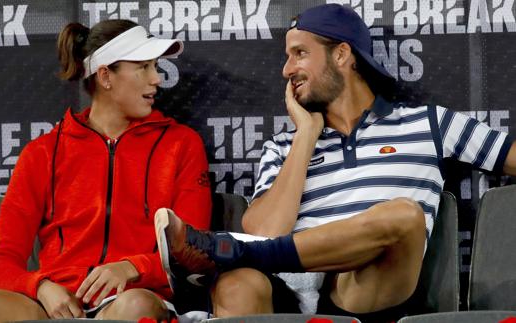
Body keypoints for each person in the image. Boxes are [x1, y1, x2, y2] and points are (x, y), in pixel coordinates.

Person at [154, 4, 516, 323]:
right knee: (236, 283)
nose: (286, 70)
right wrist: (306, 137)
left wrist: (246, 251)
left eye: (299, 54)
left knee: (405, 215)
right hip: (296, 293)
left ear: (341, 54)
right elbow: (265, 228)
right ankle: (235, 255)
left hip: (370, 287)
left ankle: (233, 251)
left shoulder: (429, 123)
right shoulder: (283, 146)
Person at [0, 19, 211, 323]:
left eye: (155, 66)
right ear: (105, 76)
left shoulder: (181, 144)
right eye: (143, 67)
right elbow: (1, 262)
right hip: (58, 305)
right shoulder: (41, 154)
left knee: (134, 305)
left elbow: (194, 251)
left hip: (135, 297)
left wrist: (133, 267)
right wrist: (40, 287)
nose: (157, 78)